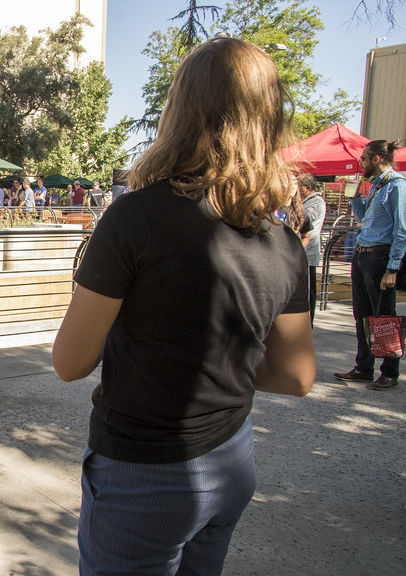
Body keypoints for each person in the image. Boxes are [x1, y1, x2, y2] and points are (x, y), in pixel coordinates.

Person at [52, 37, 315, 576]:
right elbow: (297, 376)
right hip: (233, 463)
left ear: (181, 111)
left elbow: (70, 362)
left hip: (145, 473)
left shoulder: (135, 218)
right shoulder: (286, 245)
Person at [334, 140, 406, 391]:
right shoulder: (376, 187)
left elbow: (402, 229)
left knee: (383, 316)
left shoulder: (397, 186)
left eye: (363, 158)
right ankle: (364, 367)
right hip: (362, 255)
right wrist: (354, 197)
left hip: (380, 257)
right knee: (361, 314)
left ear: (376, 159)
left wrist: (392, 268)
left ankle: (390, 371)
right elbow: (364, 218)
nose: (360, 163)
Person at [297, 173, 327, 323]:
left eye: (299, 185)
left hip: (308, 253)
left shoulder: (316, 202)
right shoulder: (305, 201)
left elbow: (303, 220)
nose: (296, 188)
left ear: (308, 187)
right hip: (299, 253)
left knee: (309, 292)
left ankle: (308, 324)